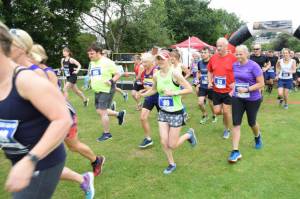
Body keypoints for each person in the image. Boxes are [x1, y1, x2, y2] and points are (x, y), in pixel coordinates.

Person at [0, 21, 72, 198]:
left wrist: (30, 161)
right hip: (19, 159)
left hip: (43, 162)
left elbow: (63, 119)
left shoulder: (27, 80)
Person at [138, 50, 197, 174]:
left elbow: (189, 89)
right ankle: (171, 163)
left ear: (169, 59)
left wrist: (174, 92)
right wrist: (143, 94)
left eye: (162, 59)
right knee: (163, 141)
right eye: (158, 59)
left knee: (172, 144)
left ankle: (189, 135)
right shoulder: (156, 75)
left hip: (176, 112)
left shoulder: (175, 74)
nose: (160, 61)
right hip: (163, 112)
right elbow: (154, 90)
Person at [228, 45, 264, 163]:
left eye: (240, 54)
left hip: (253, 98)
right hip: (238, 97)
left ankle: (257, 137)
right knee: (236, 123)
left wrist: (247, 89)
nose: (238, 56)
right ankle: (235, 151)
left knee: (251, 122)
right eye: (236, 54)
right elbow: (237, 80)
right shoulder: (235, 65)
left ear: (246, 54)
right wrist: (233, 86)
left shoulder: (254, 66)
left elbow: (261, 84)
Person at [87, 42, 126, 141]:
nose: (89, 56)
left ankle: (107, 134)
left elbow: (118, 73)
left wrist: (111, 80)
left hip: (107, 89)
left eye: (92, 53)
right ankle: (119, 114)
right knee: (99, 111)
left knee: (103, 111)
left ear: (98, 52)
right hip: (97, 89)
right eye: (88, 54)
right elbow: (94, 74)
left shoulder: (107, 62)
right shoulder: (92, 63)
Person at [207, 37, 237, 139]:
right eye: (217, 46)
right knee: (217, 111)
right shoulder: (213, 58)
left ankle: (227, 129)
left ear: (226, 46)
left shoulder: (233, 58)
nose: (218, 48)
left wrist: (235, 83)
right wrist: (209, 81)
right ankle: (225, 115)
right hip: (216, 90)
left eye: (220, 46)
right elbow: (210, 71)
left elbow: (239, 71)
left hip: (228, 91)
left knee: (227, 111)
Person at [137, 53, 159, 148]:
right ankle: (148, 139)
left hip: (159, 97)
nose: (143, 63)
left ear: (151, 61)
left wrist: (143, 93)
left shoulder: (156, 70)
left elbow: (157, 87)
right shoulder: (144, 71)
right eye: (142, 61)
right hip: (149, 97)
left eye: (145, 62)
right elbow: (147, 85)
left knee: (164, 120)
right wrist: (142, 90)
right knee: (143, 117)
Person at [197, 47, 217, 124]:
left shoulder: (213, 62)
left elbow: (216, 72)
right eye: (202, 52)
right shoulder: (199, 62)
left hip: (211, 86)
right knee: (200, 103)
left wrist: (211, 81)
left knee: (211, 103)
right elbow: (198, 72)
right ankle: (205, 115)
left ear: (209, 53)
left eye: (205, 52)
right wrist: (198, 79)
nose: (203, 54)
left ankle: (214, 115)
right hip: (202, 86)